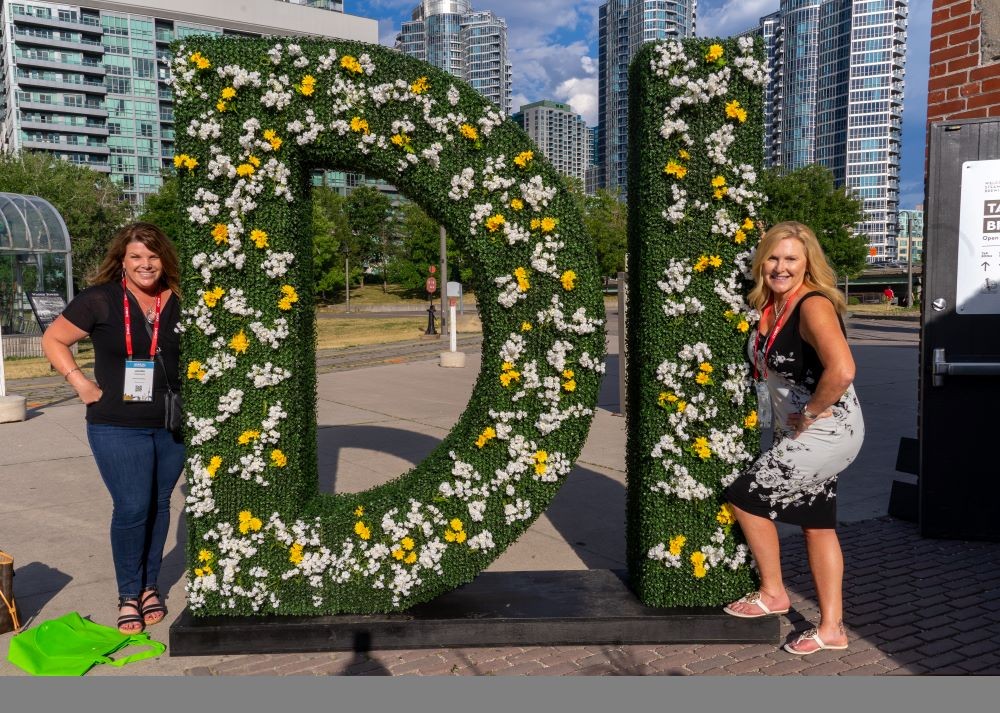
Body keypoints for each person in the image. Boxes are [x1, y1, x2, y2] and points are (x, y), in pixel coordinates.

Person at [722, 221, 864, 655]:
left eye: (791, 259)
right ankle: (832, 629)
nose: (780, 267)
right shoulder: (771, 306)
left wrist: (810, 413)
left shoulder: (812, 305)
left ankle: (773, 593)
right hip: (801, 430)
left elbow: (843, 370)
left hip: (827, 429)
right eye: (773, 257)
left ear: (808, 264)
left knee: (742, 498)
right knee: (817, 526)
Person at [42, 223, 183, 634]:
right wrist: (79, 382)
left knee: (159, 504)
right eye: (136, 256)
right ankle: (128, 593)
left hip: (172, 424)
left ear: (164, 260)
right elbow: (53, 339)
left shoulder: (182, 300)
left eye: (153, 257)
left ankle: (150, 587)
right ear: (122, 259)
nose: (145, 264)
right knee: (132, 507)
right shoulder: (101, 299)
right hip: (116, 425)